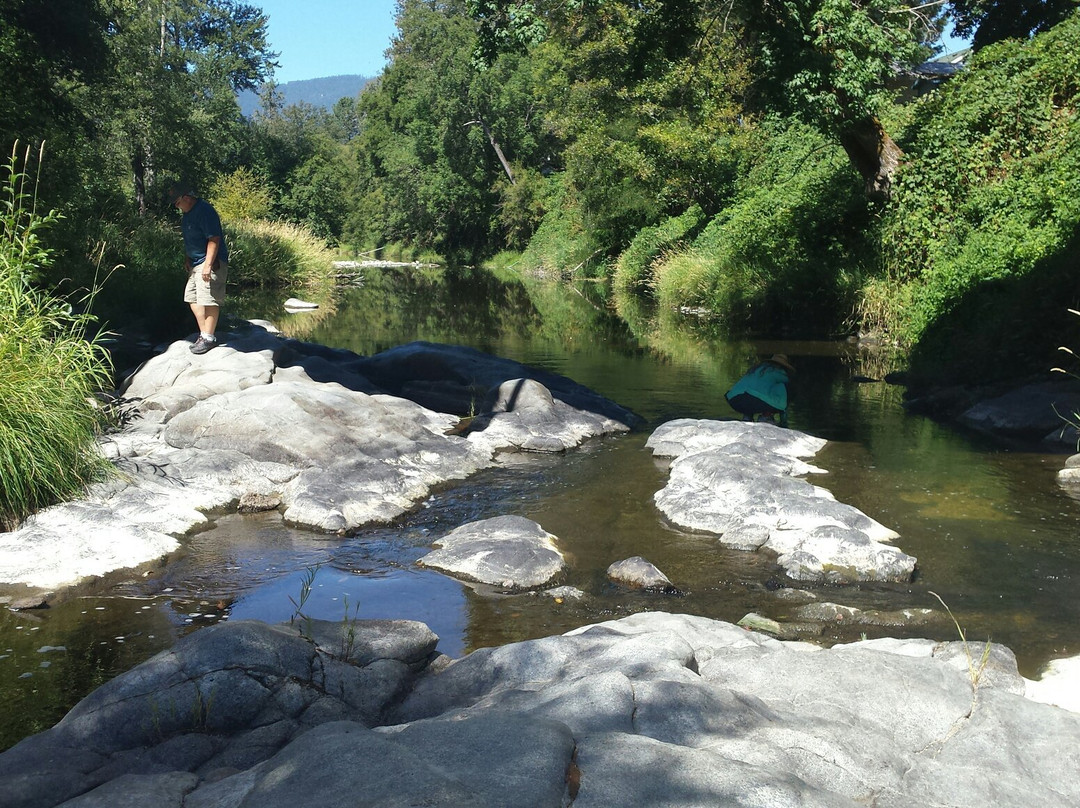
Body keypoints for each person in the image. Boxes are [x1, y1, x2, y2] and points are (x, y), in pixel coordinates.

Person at [169, 183, 229, 354]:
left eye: (177, 203)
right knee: (191, 297)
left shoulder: (204, 211)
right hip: (196, 262)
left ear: (187, 197)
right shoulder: (187, 214)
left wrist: (208, 266)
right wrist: (187, 258)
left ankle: (208, 338)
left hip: (210, 261)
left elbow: (214, 239)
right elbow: (190, 238)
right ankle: (205, 334)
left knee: (208, 299)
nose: (176, 206)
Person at [724, 354, 795, 427]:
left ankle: (747, 417)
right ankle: (766, 416)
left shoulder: (756, 369)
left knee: (756, 391)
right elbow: (785, 393)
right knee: (787, 389)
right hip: (754, 399)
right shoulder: (780, 372)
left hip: (734, 399)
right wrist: (784, 423)